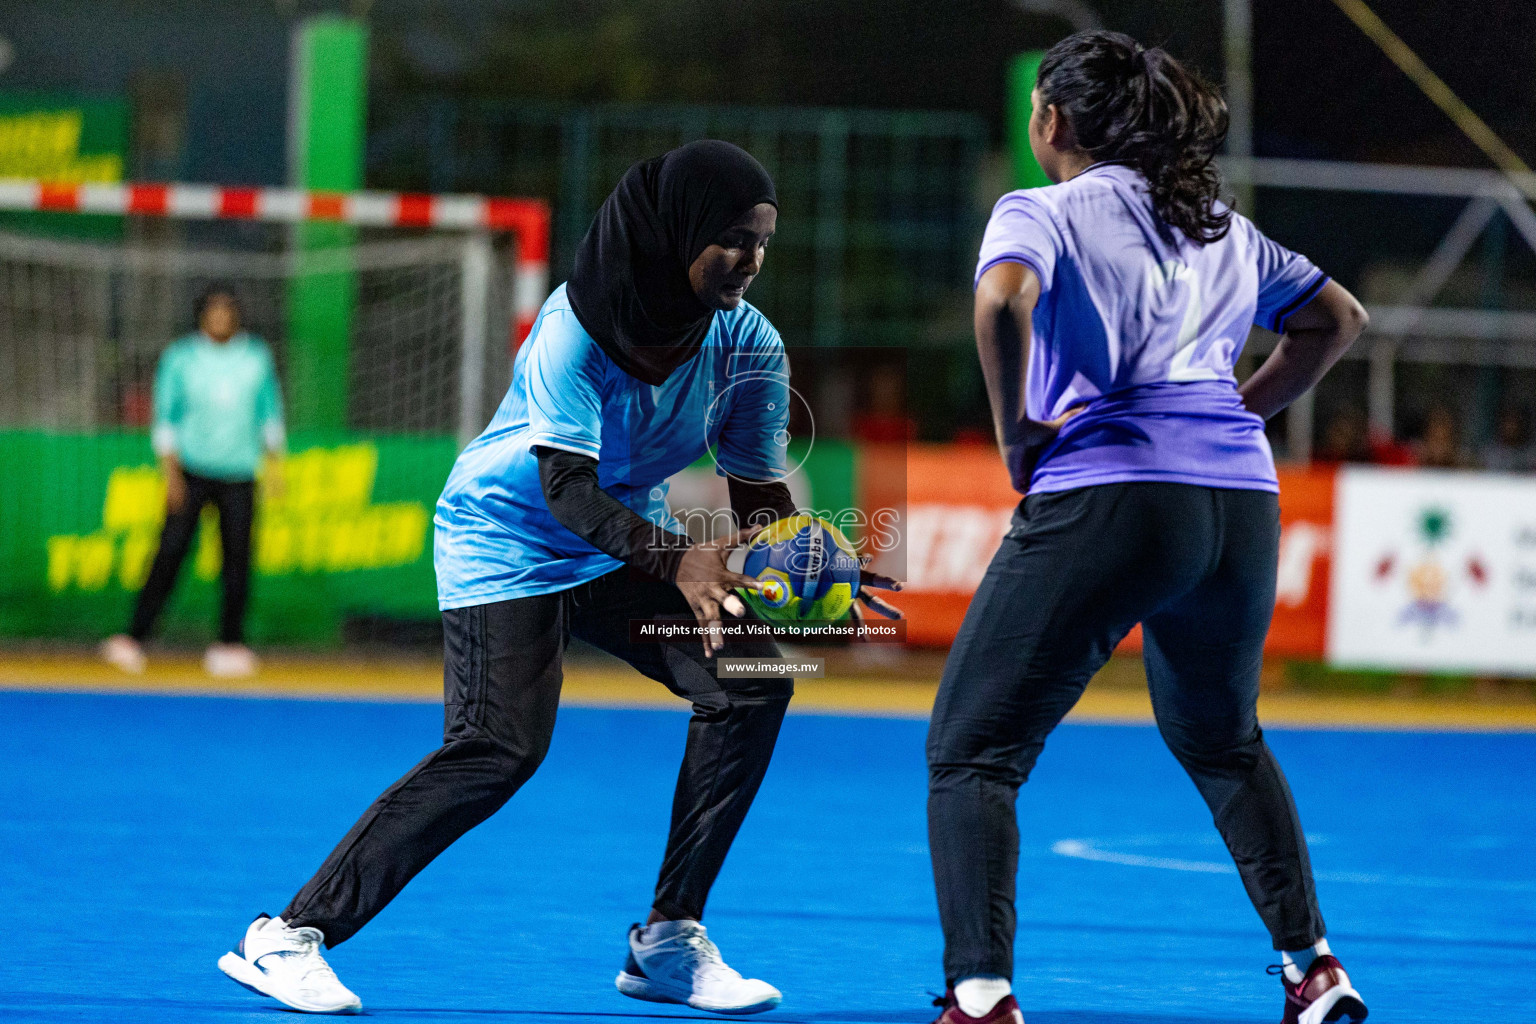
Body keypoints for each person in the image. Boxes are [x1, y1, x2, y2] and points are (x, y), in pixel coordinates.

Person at [216, 140, 897, 1016]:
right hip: (506, 536)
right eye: (733, 237)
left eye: (764, 240)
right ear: (679, 232)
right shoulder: (573, 327)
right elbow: (566, 489)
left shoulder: (747, 344)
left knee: (753, 679)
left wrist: (814, 569)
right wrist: (681, 558)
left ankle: (668, 942)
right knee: (499, 748)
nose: (751, 260)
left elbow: (759, 495)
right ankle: (285, 936)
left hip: (619, 542)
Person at [925, 32, 1370, 1024]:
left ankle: (982, 997)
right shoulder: (1219, 224)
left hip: (1114, 493)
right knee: (1224, 741)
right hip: (1240, 505)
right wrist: (1240, 413)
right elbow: (1338, 319)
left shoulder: (1040, 209)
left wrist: (1015, 436)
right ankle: (1315, 968)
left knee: (973, 754)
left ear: (1058, 123)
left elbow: (1001, 298)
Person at [100, 286, 285, 678]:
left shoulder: (256, 358)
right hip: (191, 472)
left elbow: (270, 414)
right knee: (169, 552)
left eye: (227, 310)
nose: (220, 317)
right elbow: (165, 418)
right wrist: (170, 475)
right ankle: (134, 638)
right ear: (202, 314)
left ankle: (230, 644)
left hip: (239, 474)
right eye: (213, 310)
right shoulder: (181, 358)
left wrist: (276, 469)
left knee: (237, 560)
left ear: (236, 315)